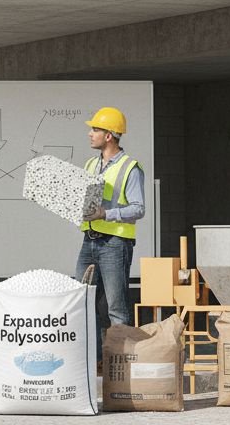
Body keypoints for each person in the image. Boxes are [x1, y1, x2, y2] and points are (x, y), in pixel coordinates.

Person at [74, 106, 145, 374]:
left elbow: (138, 208)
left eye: (95, 129)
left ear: (110, 136)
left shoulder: (131, 168)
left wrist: (107, 213)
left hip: (115, 243)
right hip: (89, 242)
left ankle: (120, 365)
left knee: (117, 307)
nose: (90, 134)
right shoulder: (91, 164)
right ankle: (95, 362)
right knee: (83, 301)